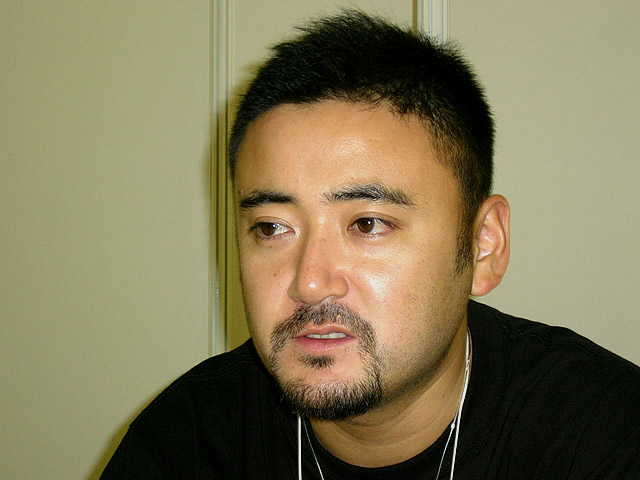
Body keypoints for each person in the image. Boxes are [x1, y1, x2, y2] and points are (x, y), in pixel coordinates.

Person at [101, 11, 640, 479]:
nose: (310, 282)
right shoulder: (185, 444)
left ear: (483, 245)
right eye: (271, 228)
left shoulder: (603, 438)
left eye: (367, 224)